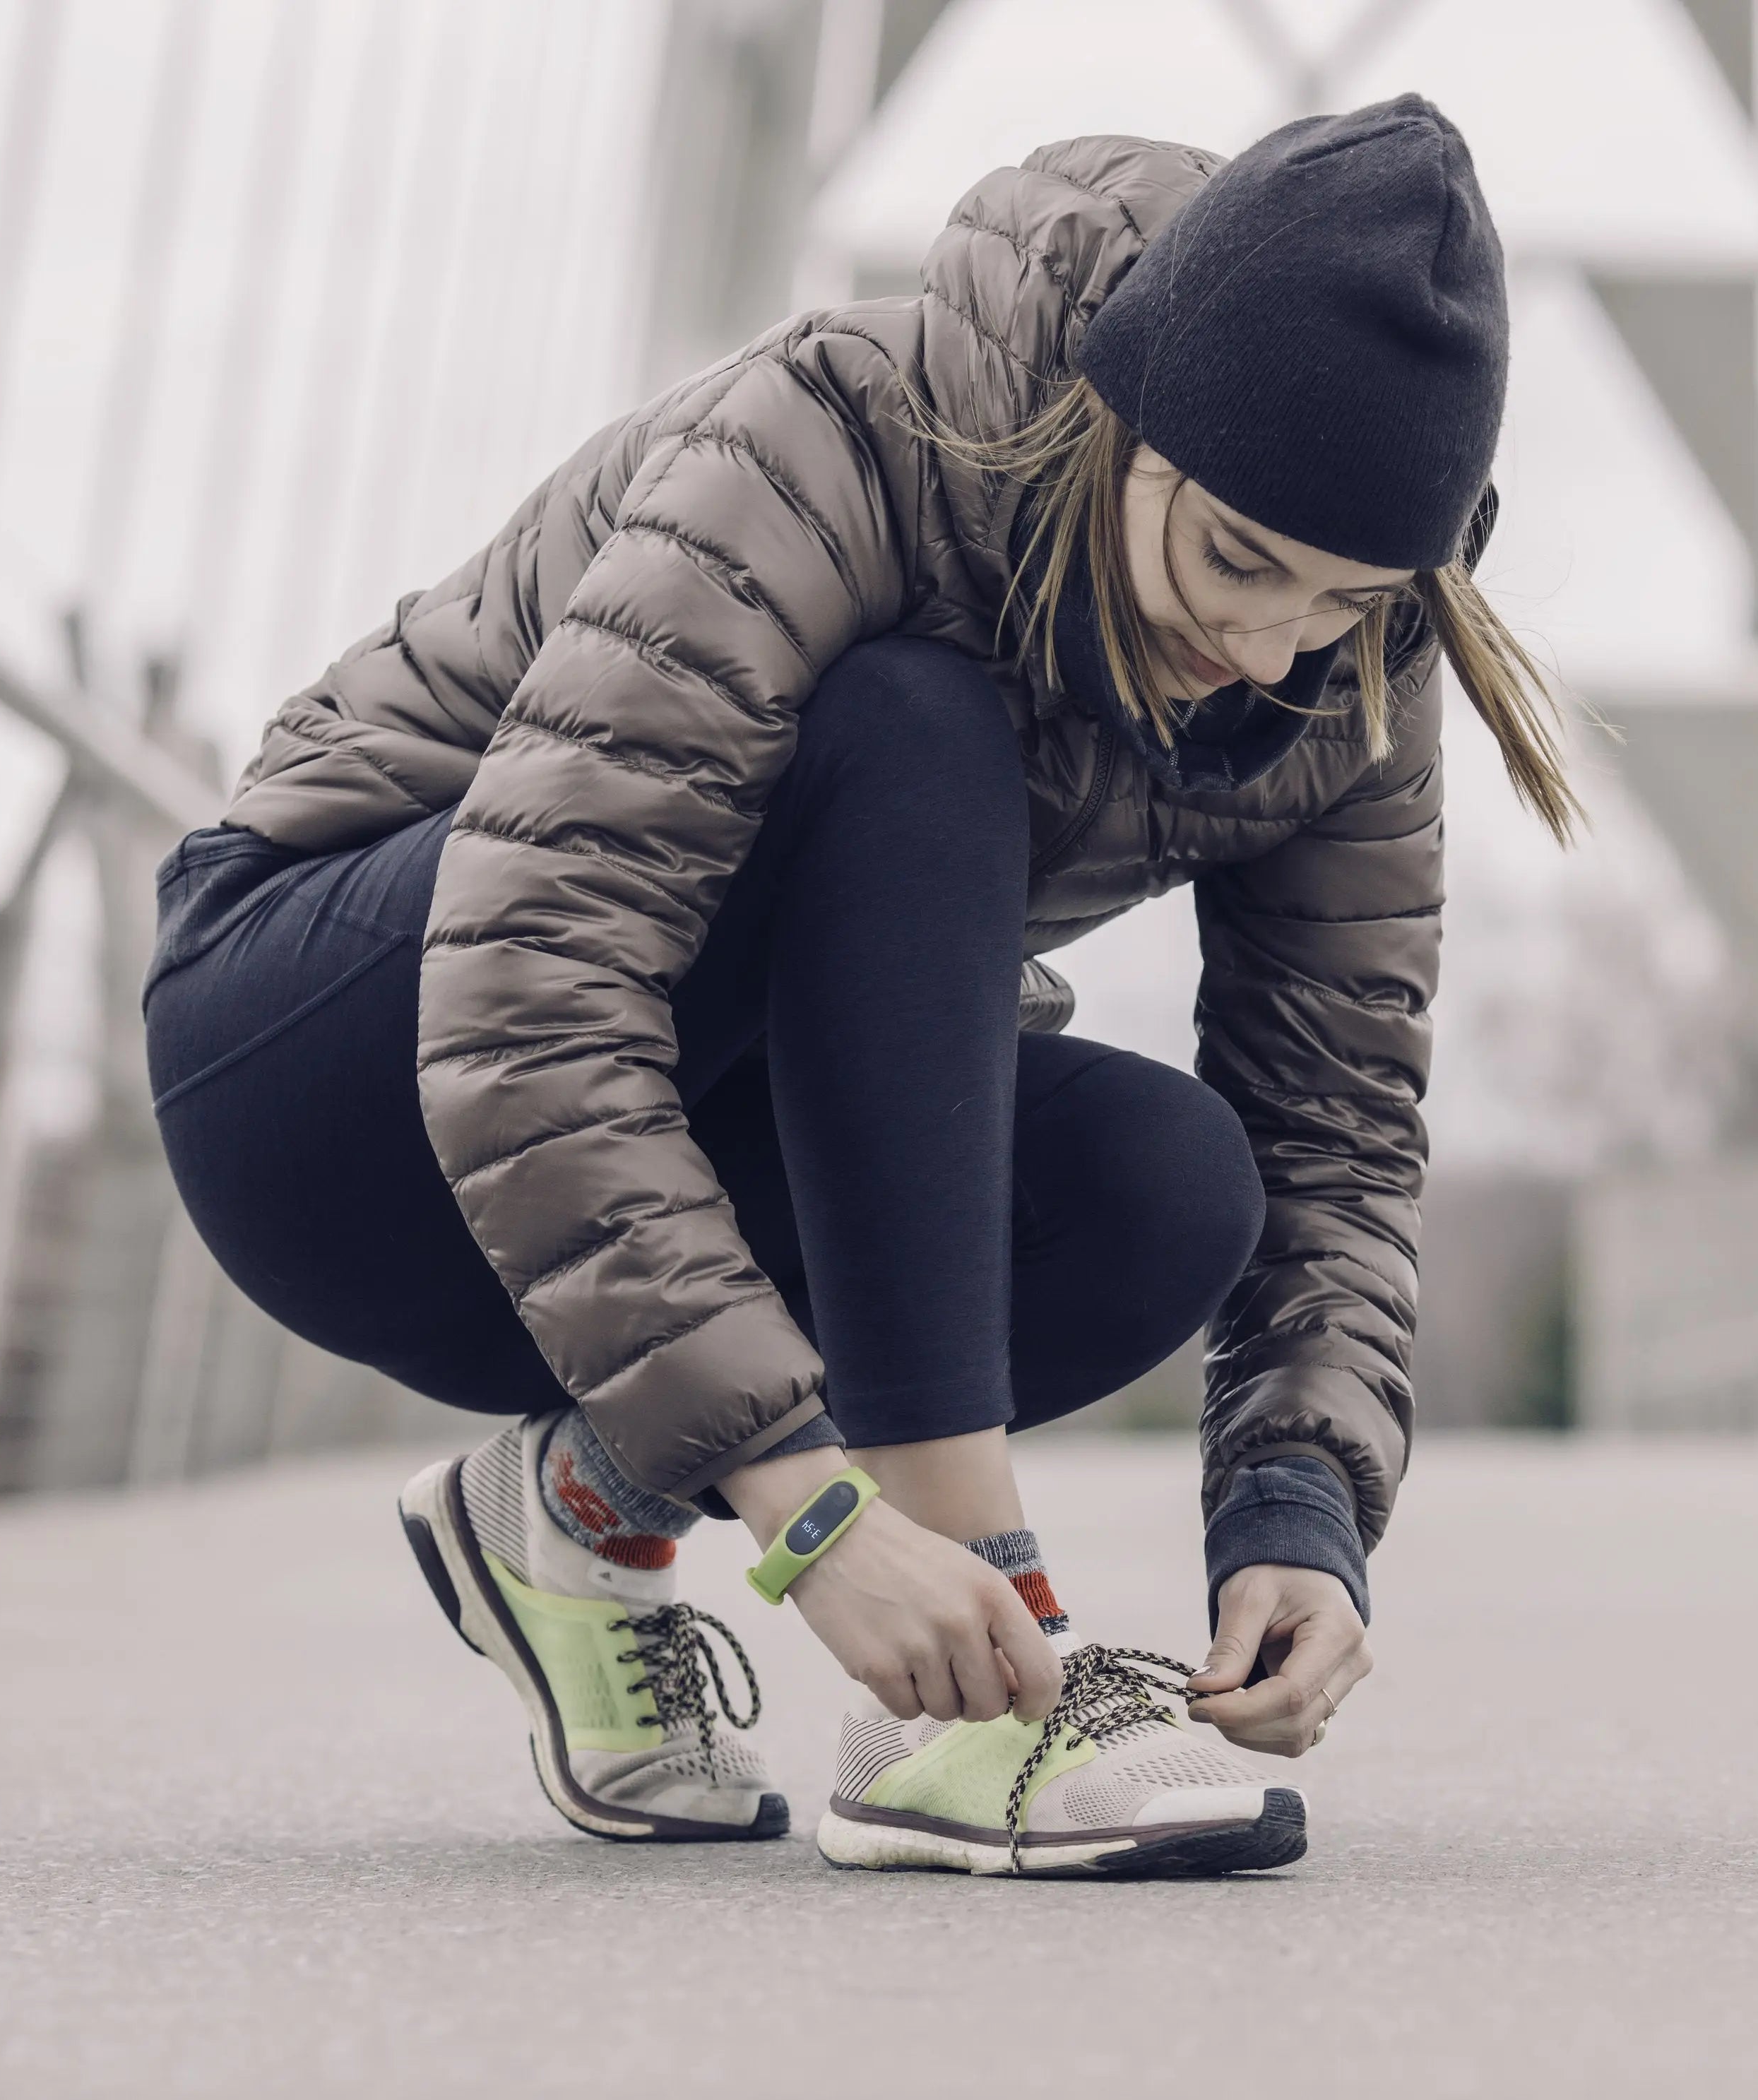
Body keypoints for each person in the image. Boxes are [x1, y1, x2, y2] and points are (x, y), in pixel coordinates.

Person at [144, 94, 1573, 1877]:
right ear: (1121, 415)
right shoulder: (838, 441)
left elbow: (1336, 1129)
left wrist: (1300, 1509)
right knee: (910, 720)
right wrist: (813, 1510)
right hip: (323, 1070)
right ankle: (972, 1671)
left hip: (623, 1165)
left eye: (1353, 597)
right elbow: (530, 988)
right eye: (1237, 558)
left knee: (1168, 1186)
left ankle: (576, 1499)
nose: (1275, 641)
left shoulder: (1346, 671)